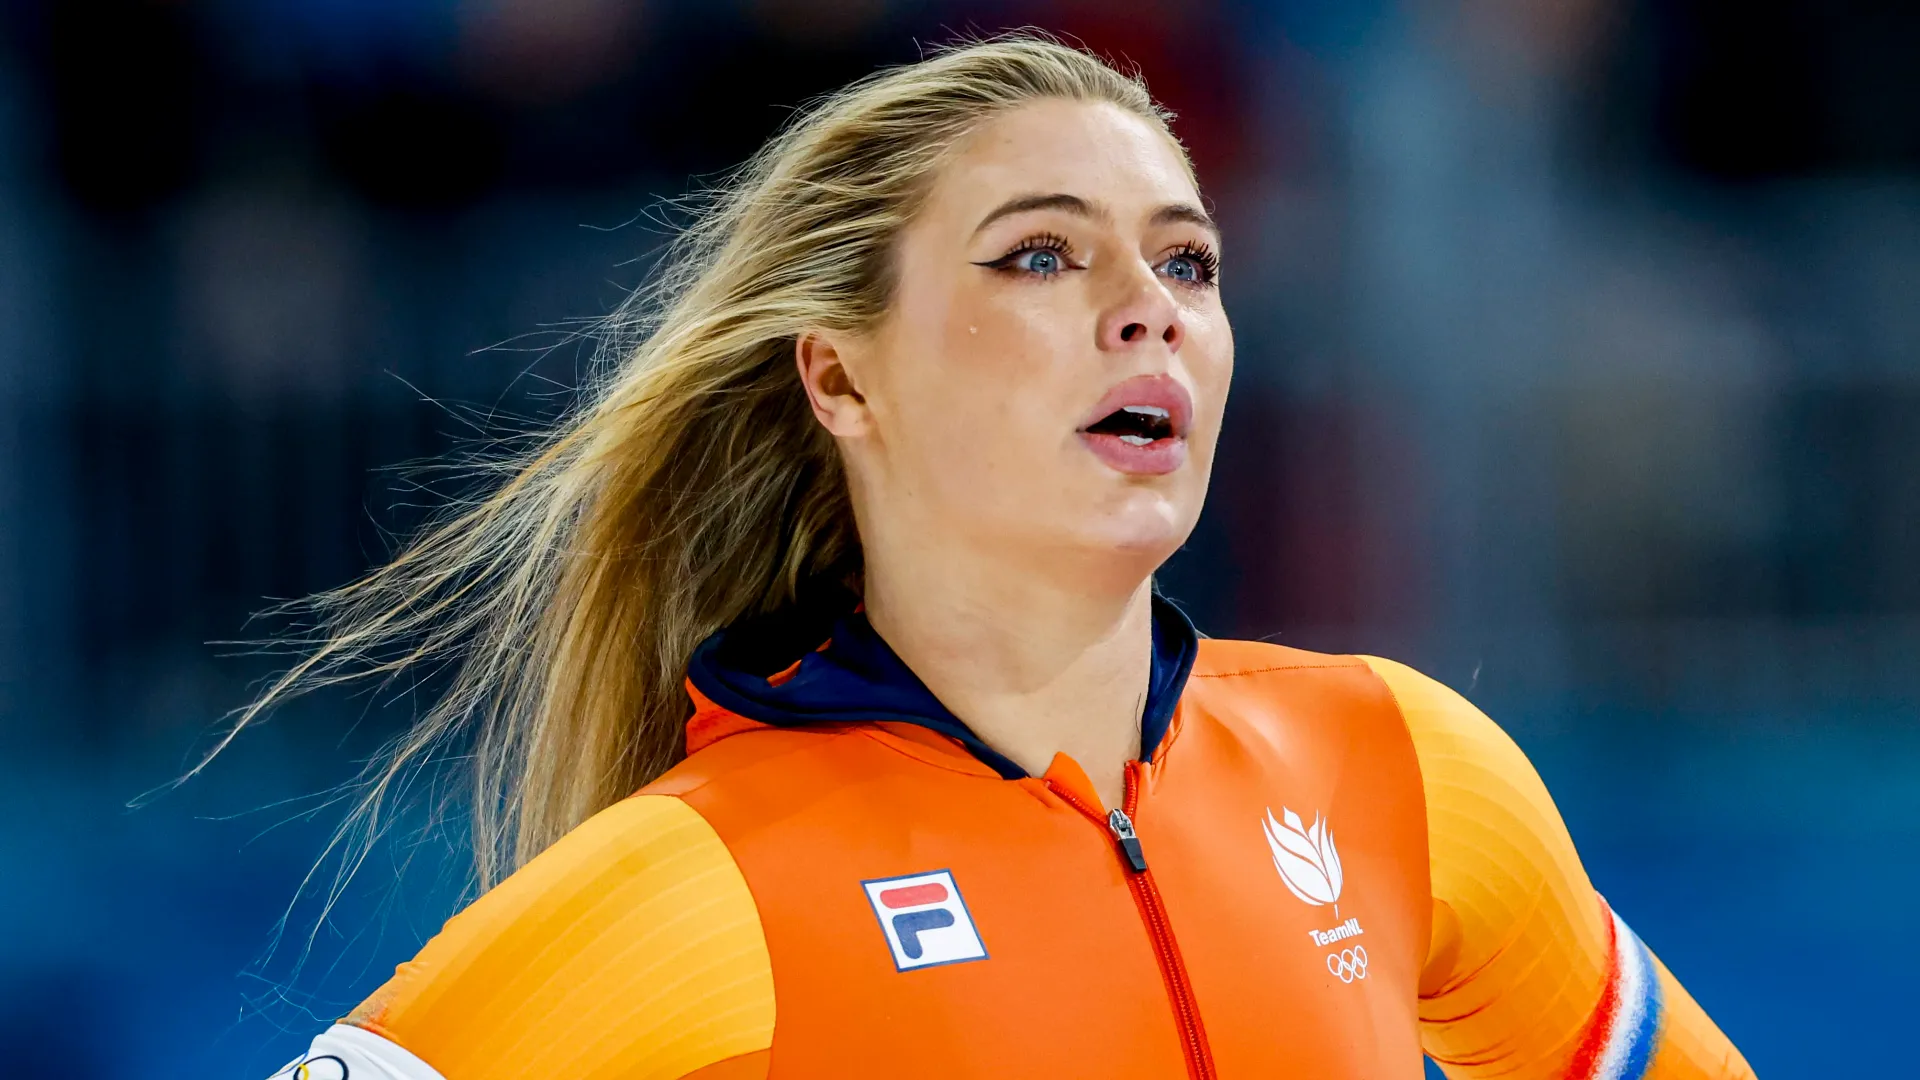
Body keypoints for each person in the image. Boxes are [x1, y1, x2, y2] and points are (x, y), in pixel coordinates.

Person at [251, 35, 1755, 1080]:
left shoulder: (1405, 769)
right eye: (1043, 253)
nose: (1148, 305)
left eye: (1188, 261)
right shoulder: (699, 886)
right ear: (841, 378)